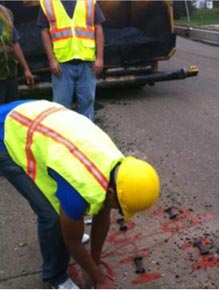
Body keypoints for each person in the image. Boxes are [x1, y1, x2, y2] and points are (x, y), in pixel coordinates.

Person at [0, 100, 160, 289]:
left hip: (37, 115)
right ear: (111, 192)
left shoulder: (119, 169)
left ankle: (63, 234)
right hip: (10, 132)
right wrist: (99, 279)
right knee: (51, 216)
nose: (118, 210)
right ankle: (54, 277)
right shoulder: (79, 187)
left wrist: (94, 263)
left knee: (68, 216)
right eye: (121, 206)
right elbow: (73, 241)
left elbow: (103, 214)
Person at [37, 0, 105, 121]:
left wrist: (99, 58)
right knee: (60, 107)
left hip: (86, 62)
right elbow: (44, 32)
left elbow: (98, 28)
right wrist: (52, 60)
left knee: (87, 103)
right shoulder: (48, 3)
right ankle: (62, 138)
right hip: (62, 64)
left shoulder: (89, 2)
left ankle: (85, 137)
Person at [0, 3, 34, 104]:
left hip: (10, 73)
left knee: (12, 109)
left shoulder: (6, 12)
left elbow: (14, 43)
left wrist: (26, 69)